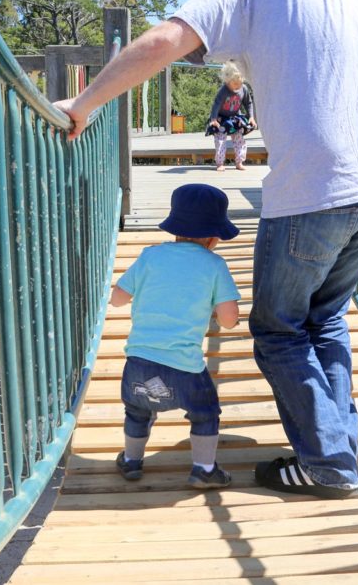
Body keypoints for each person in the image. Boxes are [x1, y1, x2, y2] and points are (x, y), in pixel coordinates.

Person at [54, 0, 358, 499]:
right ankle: (335, 445)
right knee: (327, 317)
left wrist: (86, 101)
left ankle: (328, 465)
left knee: (278, 330)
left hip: (314, 194)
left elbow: (167, 40)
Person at [110, 183, 242, 489]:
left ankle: (131, 462)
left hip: (138, 363)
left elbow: (117, 298)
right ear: (213, 238)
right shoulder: (214, 265)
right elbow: (229, 319)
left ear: (175, 229)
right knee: (205, 412)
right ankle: (204, 469)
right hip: (185, 369)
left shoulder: (150, 257)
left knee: (138, 411)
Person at [207, 61, 257, 171]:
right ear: (228, 80)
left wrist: (251, 117)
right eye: (235, 84)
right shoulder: (223, 90)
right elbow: (216, 104)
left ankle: (239, 161)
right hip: (221, 119)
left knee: (239, 139)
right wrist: (214, 119)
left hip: (235, 118)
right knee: (220, 140)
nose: (237, 86)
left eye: (239, 83)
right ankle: (220, 163)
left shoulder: (243, 89)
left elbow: (248, 103)